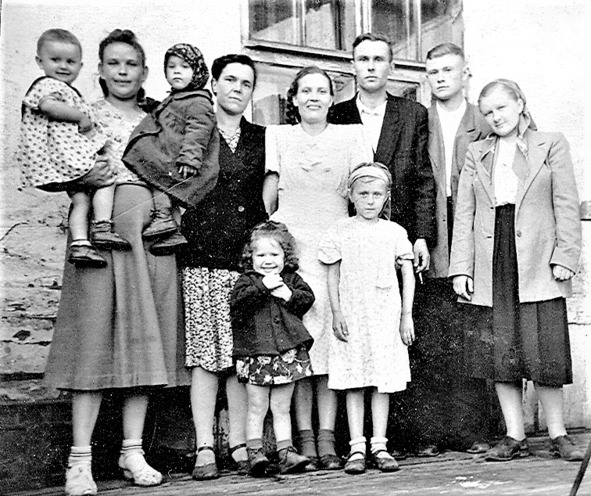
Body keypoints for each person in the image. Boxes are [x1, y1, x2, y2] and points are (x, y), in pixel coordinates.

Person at [44, 29, 190, 496]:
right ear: (101, 70)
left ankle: (132, 451)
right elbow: (64, 166)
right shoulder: (83, 113)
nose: (123, 71)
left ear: (144, 72)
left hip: (151, 236)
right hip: (103, 235)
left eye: (131, 64)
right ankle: (79, 461)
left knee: (144, 340)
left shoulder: (161, 117)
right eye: (114, 63)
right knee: (93, 338)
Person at [449, 79, 583, 462]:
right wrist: (461, 268)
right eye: (488, 113)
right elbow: (465, 213)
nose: (495, 117)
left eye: (502, 108)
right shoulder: (477, 152)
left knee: (544, 348)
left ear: (520, 103)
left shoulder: (551, 144)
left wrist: (565, 256)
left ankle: (558, 434)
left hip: (539, 258)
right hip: (492, 256)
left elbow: (566, 203)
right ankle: (514, 435)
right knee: (501, 349)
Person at [263, 66, 372, 471]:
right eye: (305, 90)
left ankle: (327, 437)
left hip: (335, 247)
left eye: (321, 91)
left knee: (331, 344)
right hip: (294, 249)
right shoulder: (278, 136)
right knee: (300, 341)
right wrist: (275, 242)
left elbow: (364, 189)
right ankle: (304, 437)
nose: (313, 97)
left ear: (331, 98)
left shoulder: (351, 136)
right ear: (293, 98)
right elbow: (270, 196)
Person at [398, 42, 493, 457]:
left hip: (473, 230)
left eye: (448, 70)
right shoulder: (419, 119)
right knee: (432, 335)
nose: (440, 78)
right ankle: (430, 432)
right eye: (433, 72)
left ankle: (471, 430)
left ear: (465, 73)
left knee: (471, 334)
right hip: (431, 232)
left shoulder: (483, 119)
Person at [178, 54, 267, 480]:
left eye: (246, 83)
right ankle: (204, 446)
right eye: (230, 80)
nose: (237, 89)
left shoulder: (261, 138)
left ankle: (239, 443)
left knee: (238, 355)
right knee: (204, 355)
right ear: (214, 84)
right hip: (200, 256)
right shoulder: (197, 132)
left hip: (243, 260)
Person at [318, 162, 415, 474]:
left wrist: (406, 315)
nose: (370, 200)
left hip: (385, 314)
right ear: (351, 195)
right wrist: (337, 312)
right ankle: (357, 447)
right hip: (353, 315)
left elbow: (408, 274)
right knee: (355, 379)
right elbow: (332, 275)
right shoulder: (340, 230)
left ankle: (379, 445)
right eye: (363, 194)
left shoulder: (394, 232)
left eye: (377, 194)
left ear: (386, 196)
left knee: (382, 380)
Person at [16, 28, 129, 268]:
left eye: (70, 61)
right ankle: (102, 226)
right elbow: (48, 106)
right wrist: (80, 117)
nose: (63, 66)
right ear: (40, 61)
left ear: (80, 65)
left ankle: (80, 244)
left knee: (81, 199)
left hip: (65, 159)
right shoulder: (46, 85)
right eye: (55, 60)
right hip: (67, 158)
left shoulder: (65, 89)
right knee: (107, 178)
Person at [329, 32, 435, 274]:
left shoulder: (412, 113)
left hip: (399, 237)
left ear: (391, 66)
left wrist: (421, 238)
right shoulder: (336, 116)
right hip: (350, 238)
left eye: (378, 59)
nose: (370, 67)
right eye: (363, 59)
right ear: (353, 66)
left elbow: (423, 181)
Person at [231, 221, 315, 476]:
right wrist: (263, 287)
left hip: (286, 353)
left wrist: (287, 294)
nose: (268, 261)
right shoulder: (246, 281)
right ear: (251, 257)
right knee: (257, 406)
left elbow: (307, 299)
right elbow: (238, 304)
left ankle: (286, 452)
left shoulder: (291, 279)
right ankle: (255, 453)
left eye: (274, 254)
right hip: (256, 353)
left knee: (281, 407)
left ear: (285, 256)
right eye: (261, 255)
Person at [123, 43, 219, 255]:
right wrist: (152, 106)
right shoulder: (178, 98)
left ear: (197, 72)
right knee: (159, 176)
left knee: (158, 177)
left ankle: (163, 217)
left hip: (183, 160)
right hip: (174, 155)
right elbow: (172, 114)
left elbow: (198, 130)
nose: (176, 71)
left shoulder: (199, 101)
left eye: (184, 66)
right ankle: (172, 233)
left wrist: (190, 158)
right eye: (171, 66)